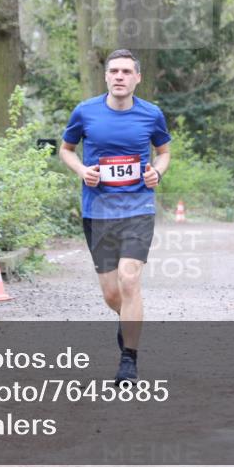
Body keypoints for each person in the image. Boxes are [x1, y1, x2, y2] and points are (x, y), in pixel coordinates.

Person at [59, 49, 171, 385]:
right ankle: (129, 322)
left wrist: (157, 173)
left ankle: (128, 363)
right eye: (114, 71)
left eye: (126, 71)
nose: (119, 77)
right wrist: (82, 170)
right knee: (112, 294)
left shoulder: (151, 114)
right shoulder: (85, 112)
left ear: (137, 77)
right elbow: (66, 149)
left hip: (138, 209)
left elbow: (163, 152)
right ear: (106, 77)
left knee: (129, 280)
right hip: (98, 212)